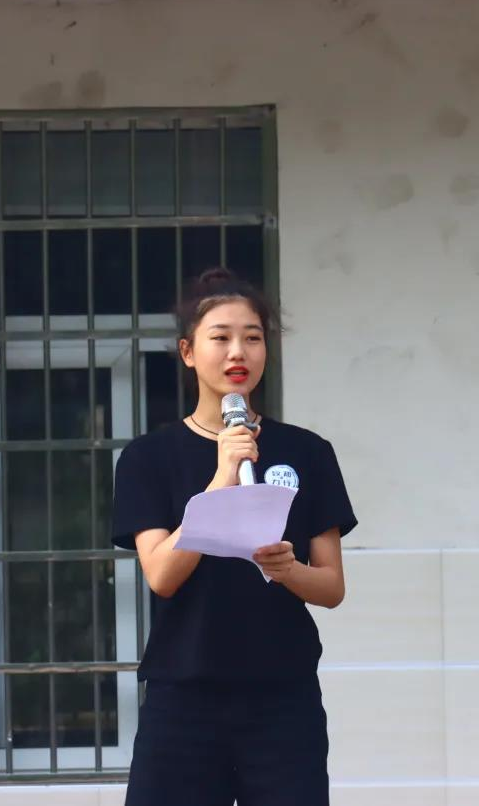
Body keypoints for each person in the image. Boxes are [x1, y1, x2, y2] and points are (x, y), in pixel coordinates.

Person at [111, 267, 357, 806]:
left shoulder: (308, 452)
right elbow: (162, 576)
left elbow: (332, 587)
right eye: (220, 337)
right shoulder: (148, 458)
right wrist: (221, 479)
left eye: (252, 337)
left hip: (282, 698)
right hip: (184, 697)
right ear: (188, 352)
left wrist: (288, 569)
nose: (237, 352)